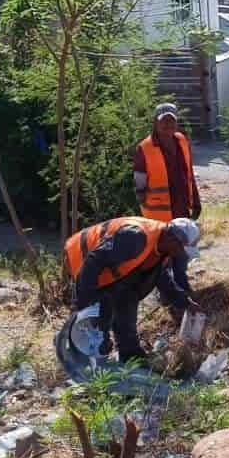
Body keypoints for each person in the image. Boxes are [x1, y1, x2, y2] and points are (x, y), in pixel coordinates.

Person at [66, 216, 200, 364]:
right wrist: (81, 304)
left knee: (127, 306)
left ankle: (130, 356)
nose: (180, 254)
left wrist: (185, 302)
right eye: (181, 249)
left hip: (116, 276)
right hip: (82, 262)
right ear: (172, 239)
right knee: (95, 327)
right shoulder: (136, 237)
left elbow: (163, 280)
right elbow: (92, 263)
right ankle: (79, 362)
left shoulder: (162, 250)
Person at [133, 103, 201, 221]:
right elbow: (139, 186)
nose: (168, 124)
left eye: (171, 120)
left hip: (182, 210)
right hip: (157, 216)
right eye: (164, 120)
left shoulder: (182, 141)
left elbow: (189, 174)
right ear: (155, 123)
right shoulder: (145, 147)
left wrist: (196, 201)